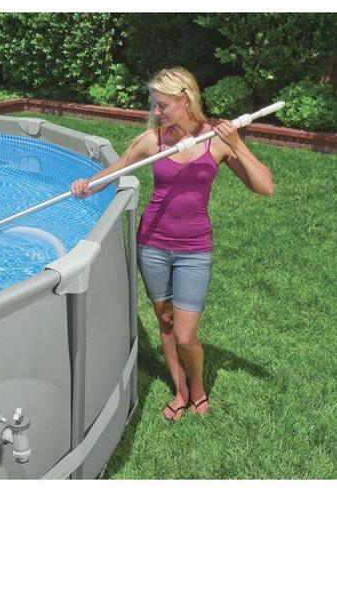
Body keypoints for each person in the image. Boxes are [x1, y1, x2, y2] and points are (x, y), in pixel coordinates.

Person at [71, 67, 274, 421]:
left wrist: (237, 143)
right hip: (152, 244)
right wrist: (87, 185)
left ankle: (198, 384)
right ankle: (181, 390)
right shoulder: (154, 141)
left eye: (162, 105)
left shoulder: (216, 140)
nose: (156, 111)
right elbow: (117, 169)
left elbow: (265, 186)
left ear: (185, 100)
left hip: (194, 249)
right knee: (165, 321)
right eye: (154, 104)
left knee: (184, 334)